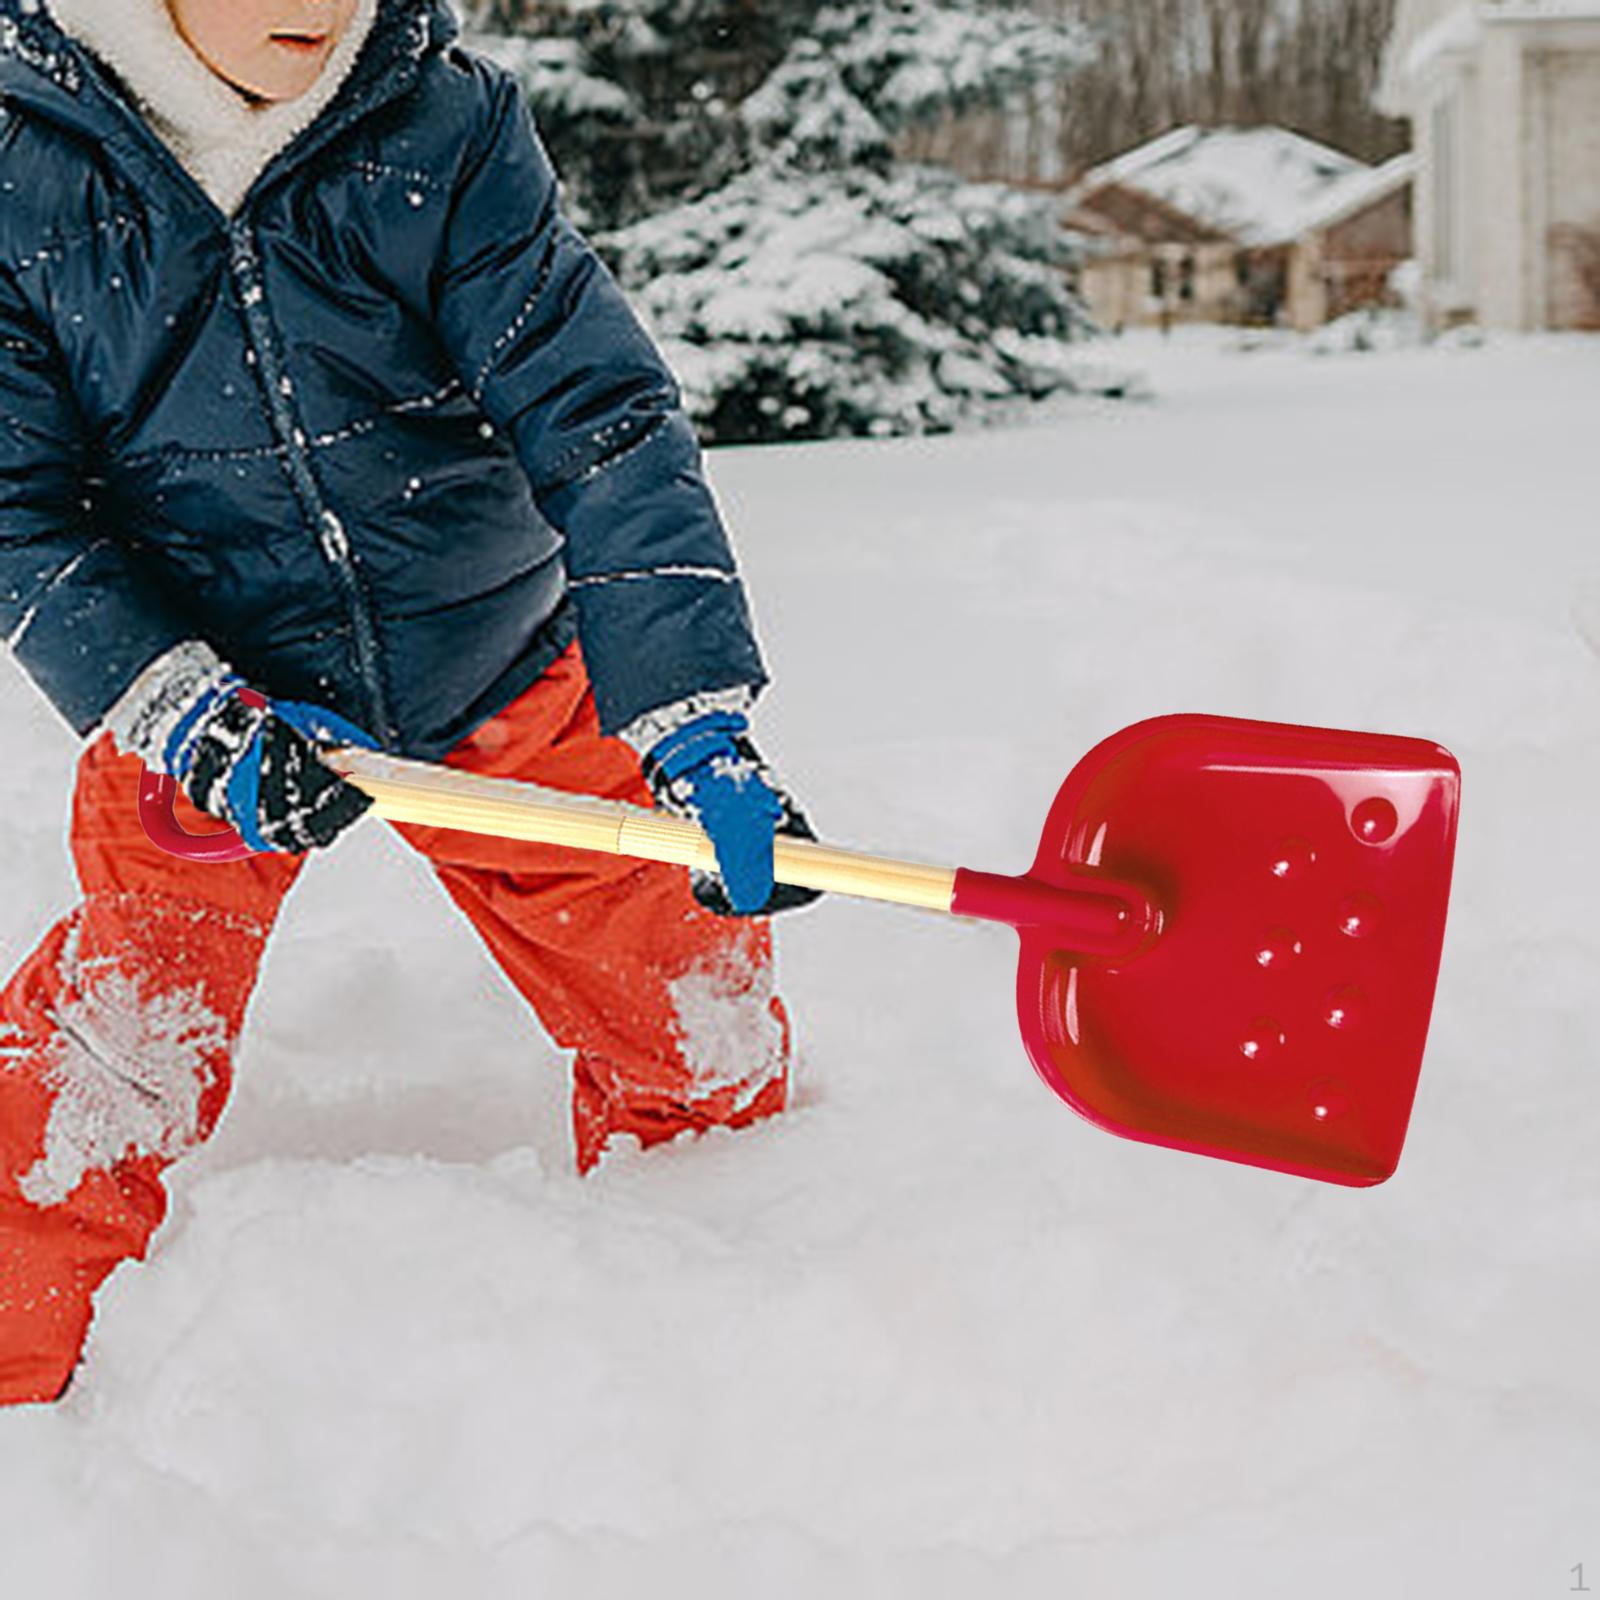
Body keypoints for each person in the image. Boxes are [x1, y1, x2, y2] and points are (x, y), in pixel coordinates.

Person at [0, 0, 818, 1406]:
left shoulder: (441, 126)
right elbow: (19, 510)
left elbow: (601, 418)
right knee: (114, 1045)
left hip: (496, 663)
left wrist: (686, 708)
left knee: (682, 1000)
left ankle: (723, 1355)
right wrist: (190, 716)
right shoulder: (25, 176)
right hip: (205, 697)